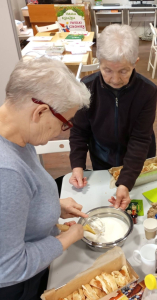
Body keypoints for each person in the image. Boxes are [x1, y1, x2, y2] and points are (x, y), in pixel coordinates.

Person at [0, 57, 91, 300]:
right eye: (64, 124)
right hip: (20, 287)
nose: (66, 130)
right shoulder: (6, 172)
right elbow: (9, 267)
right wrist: (67, 238)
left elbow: (13, 208)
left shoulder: (17, 137)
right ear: (40, 112)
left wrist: (54, 206)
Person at [69, 24, 157, 210]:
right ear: (98, 62)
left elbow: (141, 140)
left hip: (138, 163)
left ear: (135, 62)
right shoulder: (86, 87)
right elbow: (79, 131)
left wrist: (125, 182)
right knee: (102, 201)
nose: (115, 79)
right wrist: (77, 165)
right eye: (107, 70)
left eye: (123, 71)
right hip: (102, 159)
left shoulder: (147, 91)